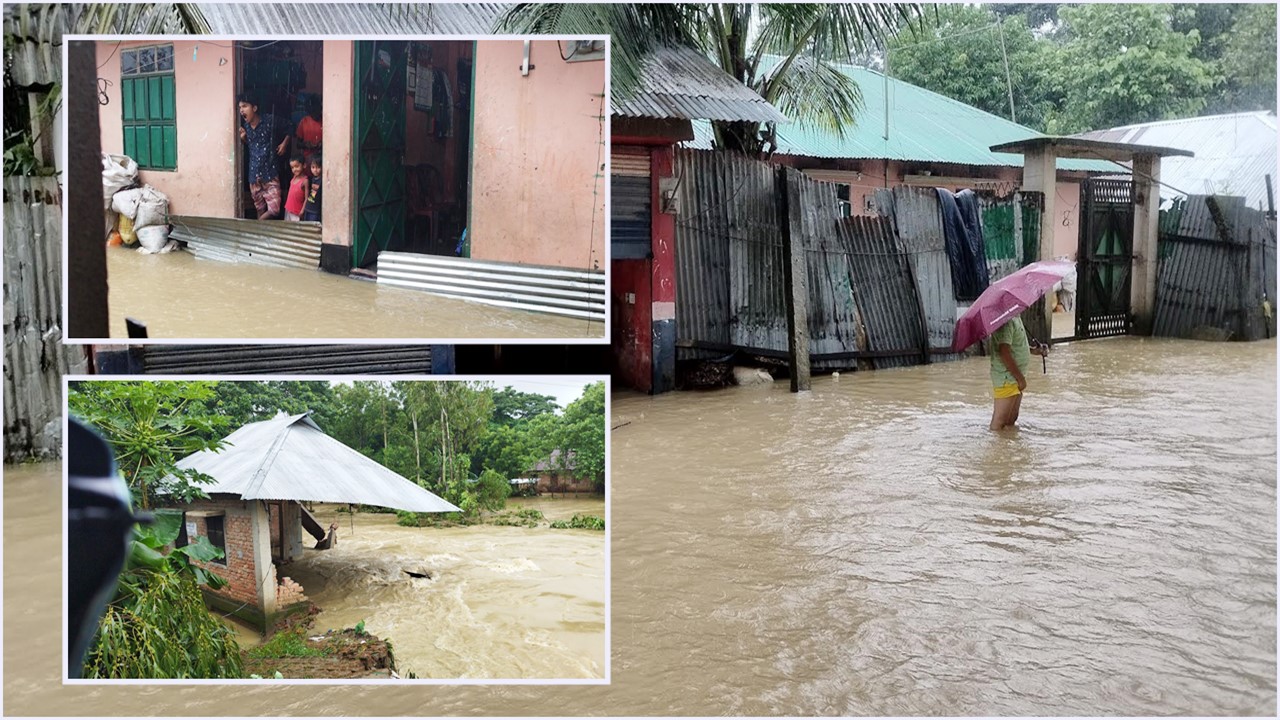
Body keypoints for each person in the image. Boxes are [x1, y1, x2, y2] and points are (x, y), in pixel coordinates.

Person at [988, 315, 1050, 431]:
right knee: (1000, 421)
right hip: (1006, 378)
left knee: (1011, 419)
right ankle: (995, 448)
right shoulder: (1005, 322)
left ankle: (1007, 446)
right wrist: (1020, 379)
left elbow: (1016, 347)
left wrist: (1035, 350)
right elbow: (1004, 352)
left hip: (1014, 378)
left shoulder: (1016, 317)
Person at [237, 95, 291, 219]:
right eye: (240, 107)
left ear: (254, 108)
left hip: (270, 173)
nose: (241, 110)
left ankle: (256, 227)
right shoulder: (246, 129)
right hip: (254, 176)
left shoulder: (270, 120)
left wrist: (284, 143)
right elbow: (253, 145)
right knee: (259, 209)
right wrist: (245, 139)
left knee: (274, 209)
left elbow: (290, 126)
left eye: (245, 106)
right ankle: (260, 235)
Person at [295, 96, 323, 164]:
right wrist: (306, 144)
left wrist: (322, 144)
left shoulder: (326, 120)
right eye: (312, 113)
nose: (314, 115)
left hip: (322, 159)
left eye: (316, 111)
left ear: (320, 109)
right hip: (308, 161)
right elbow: (298, 144)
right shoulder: (304, 121)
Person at [283, 154, 309, 222]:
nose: (294, 169)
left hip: (297, 211)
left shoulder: (305, 181)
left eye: (297, 166)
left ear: (304, 165)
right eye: (292, 167)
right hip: (288, 209)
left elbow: (307, 198)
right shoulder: (294, 178)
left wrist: (303, 210)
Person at [302, 154, 322, 222]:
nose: (315, 170)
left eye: (318, 167)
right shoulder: (313, 179)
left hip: (315, 210)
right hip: (309, 207)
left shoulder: (322, 180)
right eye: (313, 167)